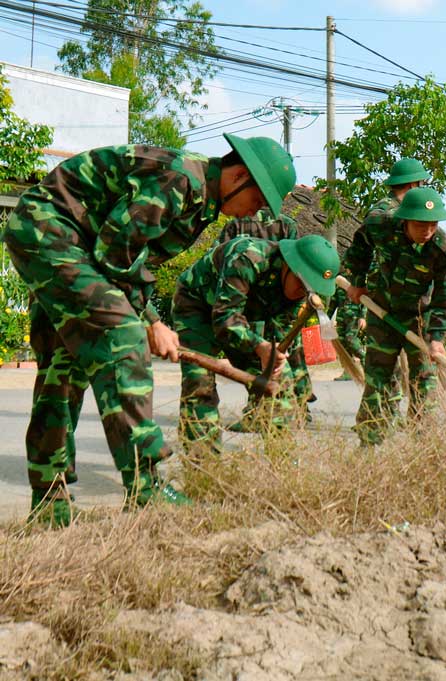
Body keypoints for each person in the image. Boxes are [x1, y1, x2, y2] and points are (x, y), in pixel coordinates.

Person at [3, 133, 295, 525]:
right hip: (50, 230)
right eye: (256, 200)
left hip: (75, 245)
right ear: (239, 175)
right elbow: (116, 253)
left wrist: (145, 314)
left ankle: (49, 500)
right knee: (122, 336)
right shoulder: (182, 180)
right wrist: (152, 322)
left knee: (65, 365)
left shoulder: (201, 202)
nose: (252, 213)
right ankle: (146, 487)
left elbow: (137, 258)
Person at [172, 235, 338, 451]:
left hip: (244, 317)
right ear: (289, 265)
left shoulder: (298, 291)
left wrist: (276, 362)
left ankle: (281, 466)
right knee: (199, 386)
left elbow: (279, 333)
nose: (302, 292)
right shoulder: (248, 258)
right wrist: (260, 347)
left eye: (309, 289)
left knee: (280, 385)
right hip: (198, 307)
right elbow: (225, 319)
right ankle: (203, 468)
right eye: (301, 283)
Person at [344, 187, 446, 445]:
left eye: (432, 224)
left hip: (420, 320)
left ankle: (422, 445)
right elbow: (358, 249)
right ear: (405, 219)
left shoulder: (441, 249)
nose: (427, 231)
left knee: (424, 382)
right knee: (378, 378)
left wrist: (437, 338)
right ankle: (370, 442)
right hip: (382, 313)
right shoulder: (380, 225)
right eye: (420, 225)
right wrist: (357, 282)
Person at [216, 210, 316, 427]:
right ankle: (291, 406)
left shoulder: (236, 222)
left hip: (257, 296)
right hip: (263, 295)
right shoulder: (285, 224)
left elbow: (220, 257)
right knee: (281, 354)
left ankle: (278, 409)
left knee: (274, 357)